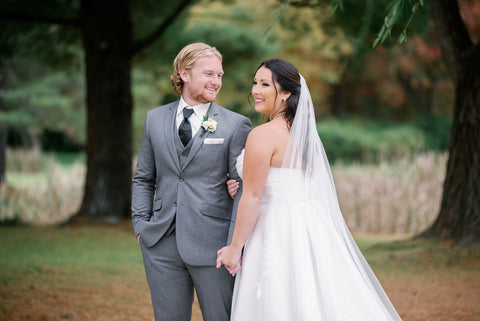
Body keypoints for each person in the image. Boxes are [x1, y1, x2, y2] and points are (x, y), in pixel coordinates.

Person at [216, 59, 402, 320]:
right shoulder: (303, 135)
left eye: (265, 84)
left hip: (275, 227)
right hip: (310, 224)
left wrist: (234, 248)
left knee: (278, 297)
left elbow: (255, 196)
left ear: (287, 93)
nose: (255, 91)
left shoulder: (263, 134)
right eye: (255, 83)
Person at [132, 42, 252, 321]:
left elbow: (244, 186)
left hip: (214, 246)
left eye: (220, 76)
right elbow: (143, 177)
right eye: (209, 74)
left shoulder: (235, 124)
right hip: (160, 242)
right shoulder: (154, 119)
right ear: (184, 74)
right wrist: (141, 225)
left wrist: (234, 243)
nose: (216, 82)